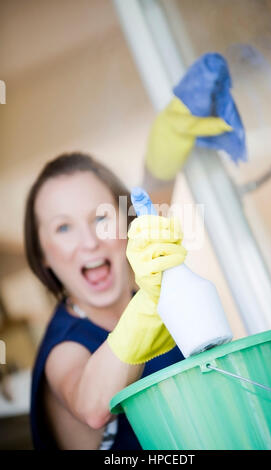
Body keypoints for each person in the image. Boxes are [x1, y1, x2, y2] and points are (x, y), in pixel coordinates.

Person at [24, 152, 186, 450]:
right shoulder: (65, 348)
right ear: (43, 253)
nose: (89, 242)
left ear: (126, 223)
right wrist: (147, 309)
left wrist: (169, 145)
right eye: (63, 227)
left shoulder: (147, 297)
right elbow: (92, 406)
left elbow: (152, 197)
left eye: (100, 217)